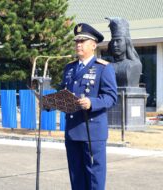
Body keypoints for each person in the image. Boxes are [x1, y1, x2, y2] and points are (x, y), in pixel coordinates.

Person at [60, 23, 118, 190]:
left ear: (93, 45)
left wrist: (93, 102)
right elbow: (63, 91)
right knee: (76, 177)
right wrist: (51, 102)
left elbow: (111, 97)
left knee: (94, 178)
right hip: (72, 130)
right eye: (76, 41)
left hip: (92, 132)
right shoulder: (69, 68)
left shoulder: (103, 68)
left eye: (83, 41)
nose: (78, 44)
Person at [106, 17, 142, 87]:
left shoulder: (134, 65)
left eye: (118, 41)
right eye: (113, 41)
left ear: (127, 42)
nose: (115, 45)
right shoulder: (108, 66)